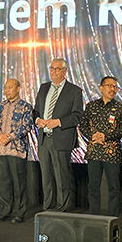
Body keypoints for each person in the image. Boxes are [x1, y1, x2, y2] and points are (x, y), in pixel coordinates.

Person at [33, 58, 84, 212]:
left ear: (64, 71)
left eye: (57, 69)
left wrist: (59, 122)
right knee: (46, 176)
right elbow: (36, 111)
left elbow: (77, 116)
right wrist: (37, 120)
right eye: (52, 68)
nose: (54, 71)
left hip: (61, 138)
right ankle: (48, 207)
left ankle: (63, 207)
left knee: (62, 176)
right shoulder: (43, 88)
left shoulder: (74, 91)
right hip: (44, 139)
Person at [79, 76, 122, 216]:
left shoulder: (121, 107)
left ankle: (113, 217)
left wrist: (105, 136)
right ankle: (94, 215)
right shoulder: (91, 106)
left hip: (112, 153)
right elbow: (83, 125)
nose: (112, 89)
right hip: (94, 151)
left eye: (115, 86)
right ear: (101, 88)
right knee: (93, 186)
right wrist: (92, 136)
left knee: (114, 187)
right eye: (109, 86)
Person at [0, 78, 33, 223]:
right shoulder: (0, 106)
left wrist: (10, 136)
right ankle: (5, 210)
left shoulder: (25, 106)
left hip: (17, 150)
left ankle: (19, 212)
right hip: (2, 150)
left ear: (18, 88)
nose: (7, 90)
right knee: (3, 182)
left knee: (18, 182)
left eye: (10, 87)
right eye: (5, 87)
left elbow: (27, 125)